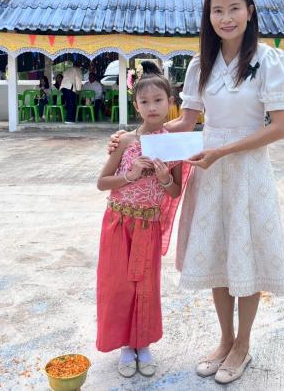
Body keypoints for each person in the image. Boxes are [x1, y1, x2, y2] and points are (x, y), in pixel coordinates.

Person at [109, 0, 284, 384]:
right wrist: (132, 139)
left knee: (245, 256)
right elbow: (184, 123)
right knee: (216, 256)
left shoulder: (269, 60)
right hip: (209, 172)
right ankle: (225, 339)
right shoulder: (200, 65)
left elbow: (280, 128)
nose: (226, 18)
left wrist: (223, 151)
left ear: (250, 12)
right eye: (217, 10)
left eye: (234, 8)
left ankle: (243, 345)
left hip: (246, 171)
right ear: (208, 17)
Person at [96, 70, 183, 378]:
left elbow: (175, 191)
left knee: (145, 286)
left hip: (148, 225)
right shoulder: (125, 141)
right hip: (118, 223)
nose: (152, 107)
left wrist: (164, 178)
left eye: (158, 100)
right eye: (144, 101)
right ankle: (124, 345)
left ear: (170, 102)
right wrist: (129, 175)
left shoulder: (174, 146)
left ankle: (142, 344)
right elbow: (102, 182)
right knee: (118, 285)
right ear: (136, 106)